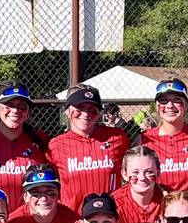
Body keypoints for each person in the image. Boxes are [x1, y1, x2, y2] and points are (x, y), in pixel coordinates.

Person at [47, 84, 129, 212]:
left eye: (92, 109)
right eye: (79, 108)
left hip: (109, 220)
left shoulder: (117, 138)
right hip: (73, 221)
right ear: (67, 111)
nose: (86, 114)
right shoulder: (55, 146)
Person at [0, 81, 48, 213]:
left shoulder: (40, 140)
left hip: (30, 221)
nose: (15, 111)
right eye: (8, 105)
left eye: (22, 107)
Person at [112, 145, 168, 223]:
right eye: (135, 172)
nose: (142, 177)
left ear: (158, 172)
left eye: (149, 172)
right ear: (124, 174)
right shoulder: (114, 203)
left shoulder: (170, 200)